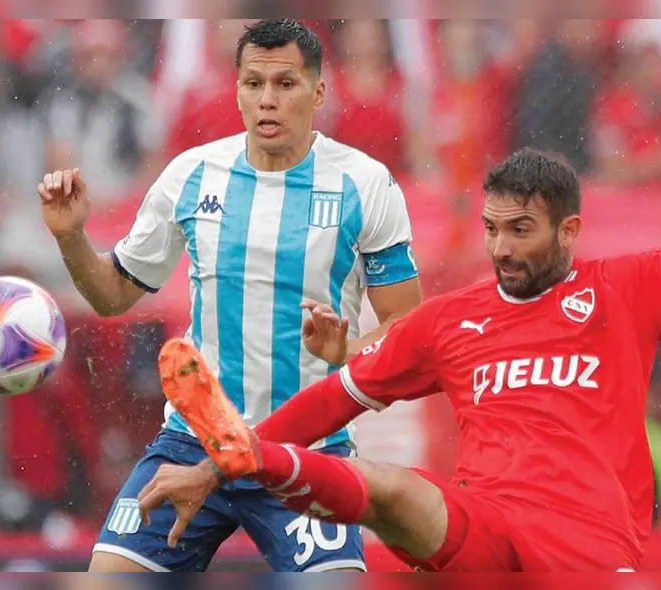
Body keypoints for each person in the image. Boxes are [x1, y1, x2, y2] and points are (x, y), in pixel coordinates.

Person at [136, 101, 661, 571]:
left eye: (521, 231)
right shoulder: (449, 319)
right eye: (492, 230)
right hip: (486, 531)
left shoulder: (629, 289)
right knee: (396, 492)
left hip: (586, 547)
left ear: (568, 230)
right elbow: (334, 399)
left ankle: (254, 461)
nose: (501, 248)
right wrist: (216, 465)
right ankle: (250, 457)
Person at [37, 19, 423, 572]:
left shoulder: (364, 184)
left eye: (285, 84)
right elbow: (113, 296)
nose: (267, 100)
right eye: (253, 83)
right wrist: (70, 235)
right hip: (192, 440)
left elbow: (408, 331)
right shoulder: (190, 175)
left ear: (318, 91)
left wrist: (348, 350)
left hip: (305, 450)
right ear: (236, 88)